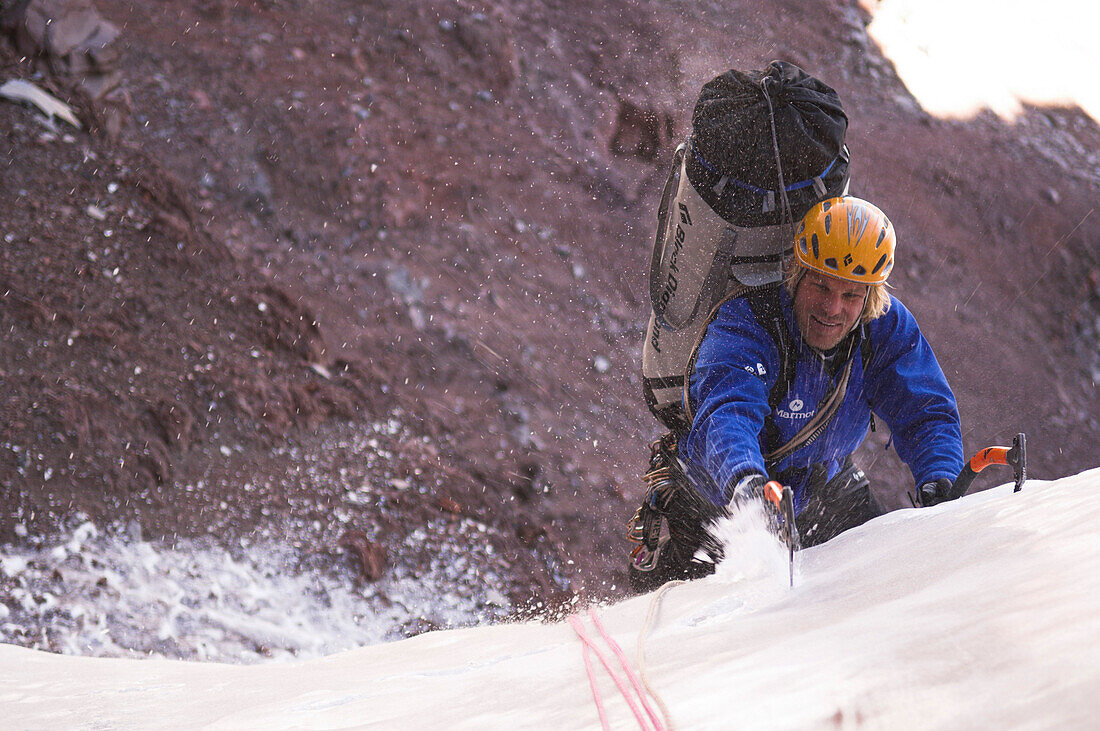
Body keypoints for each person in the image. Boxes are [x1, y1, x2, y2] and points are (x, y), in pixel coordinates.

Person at [629, 195, 964, 592]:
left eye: (851, 296)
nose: (832, 307)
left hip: (822, 485)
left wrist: (939, 478)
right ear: (796, 274)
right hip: (720, 498)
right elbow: (727, 412)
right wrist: (745, 482)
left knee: (890, 585)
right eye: (821, 285)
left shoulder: (884, 328)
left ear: (871, 297)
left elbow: (925, 411)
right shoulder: (750, 322)